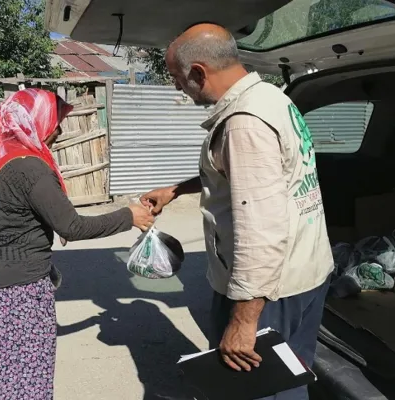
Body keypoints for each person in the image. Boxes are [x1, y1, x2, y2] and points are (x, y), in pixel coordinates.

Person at [141, 24, 334, 400]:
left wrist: (245, 320)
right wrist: (176, 190)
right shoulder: (272, 98)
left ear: (198, 72)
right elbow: (243, 176)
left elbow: (260, 226)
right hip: (304, 273)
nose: (177, 88)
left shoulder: (244, 123)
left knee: (258, 387)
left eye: (178, 79)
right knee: (291, 375)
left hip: (269, 290)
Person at [0, 88, 154, 400]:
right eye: (55, 122)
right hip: (18, 286)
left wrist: (9, 223)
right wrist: (127, 217)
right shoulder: (31, 169)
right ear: (34, 122)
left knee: (1, 361)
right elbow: (72, 227)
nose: (59, 132)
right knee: (31, 370)